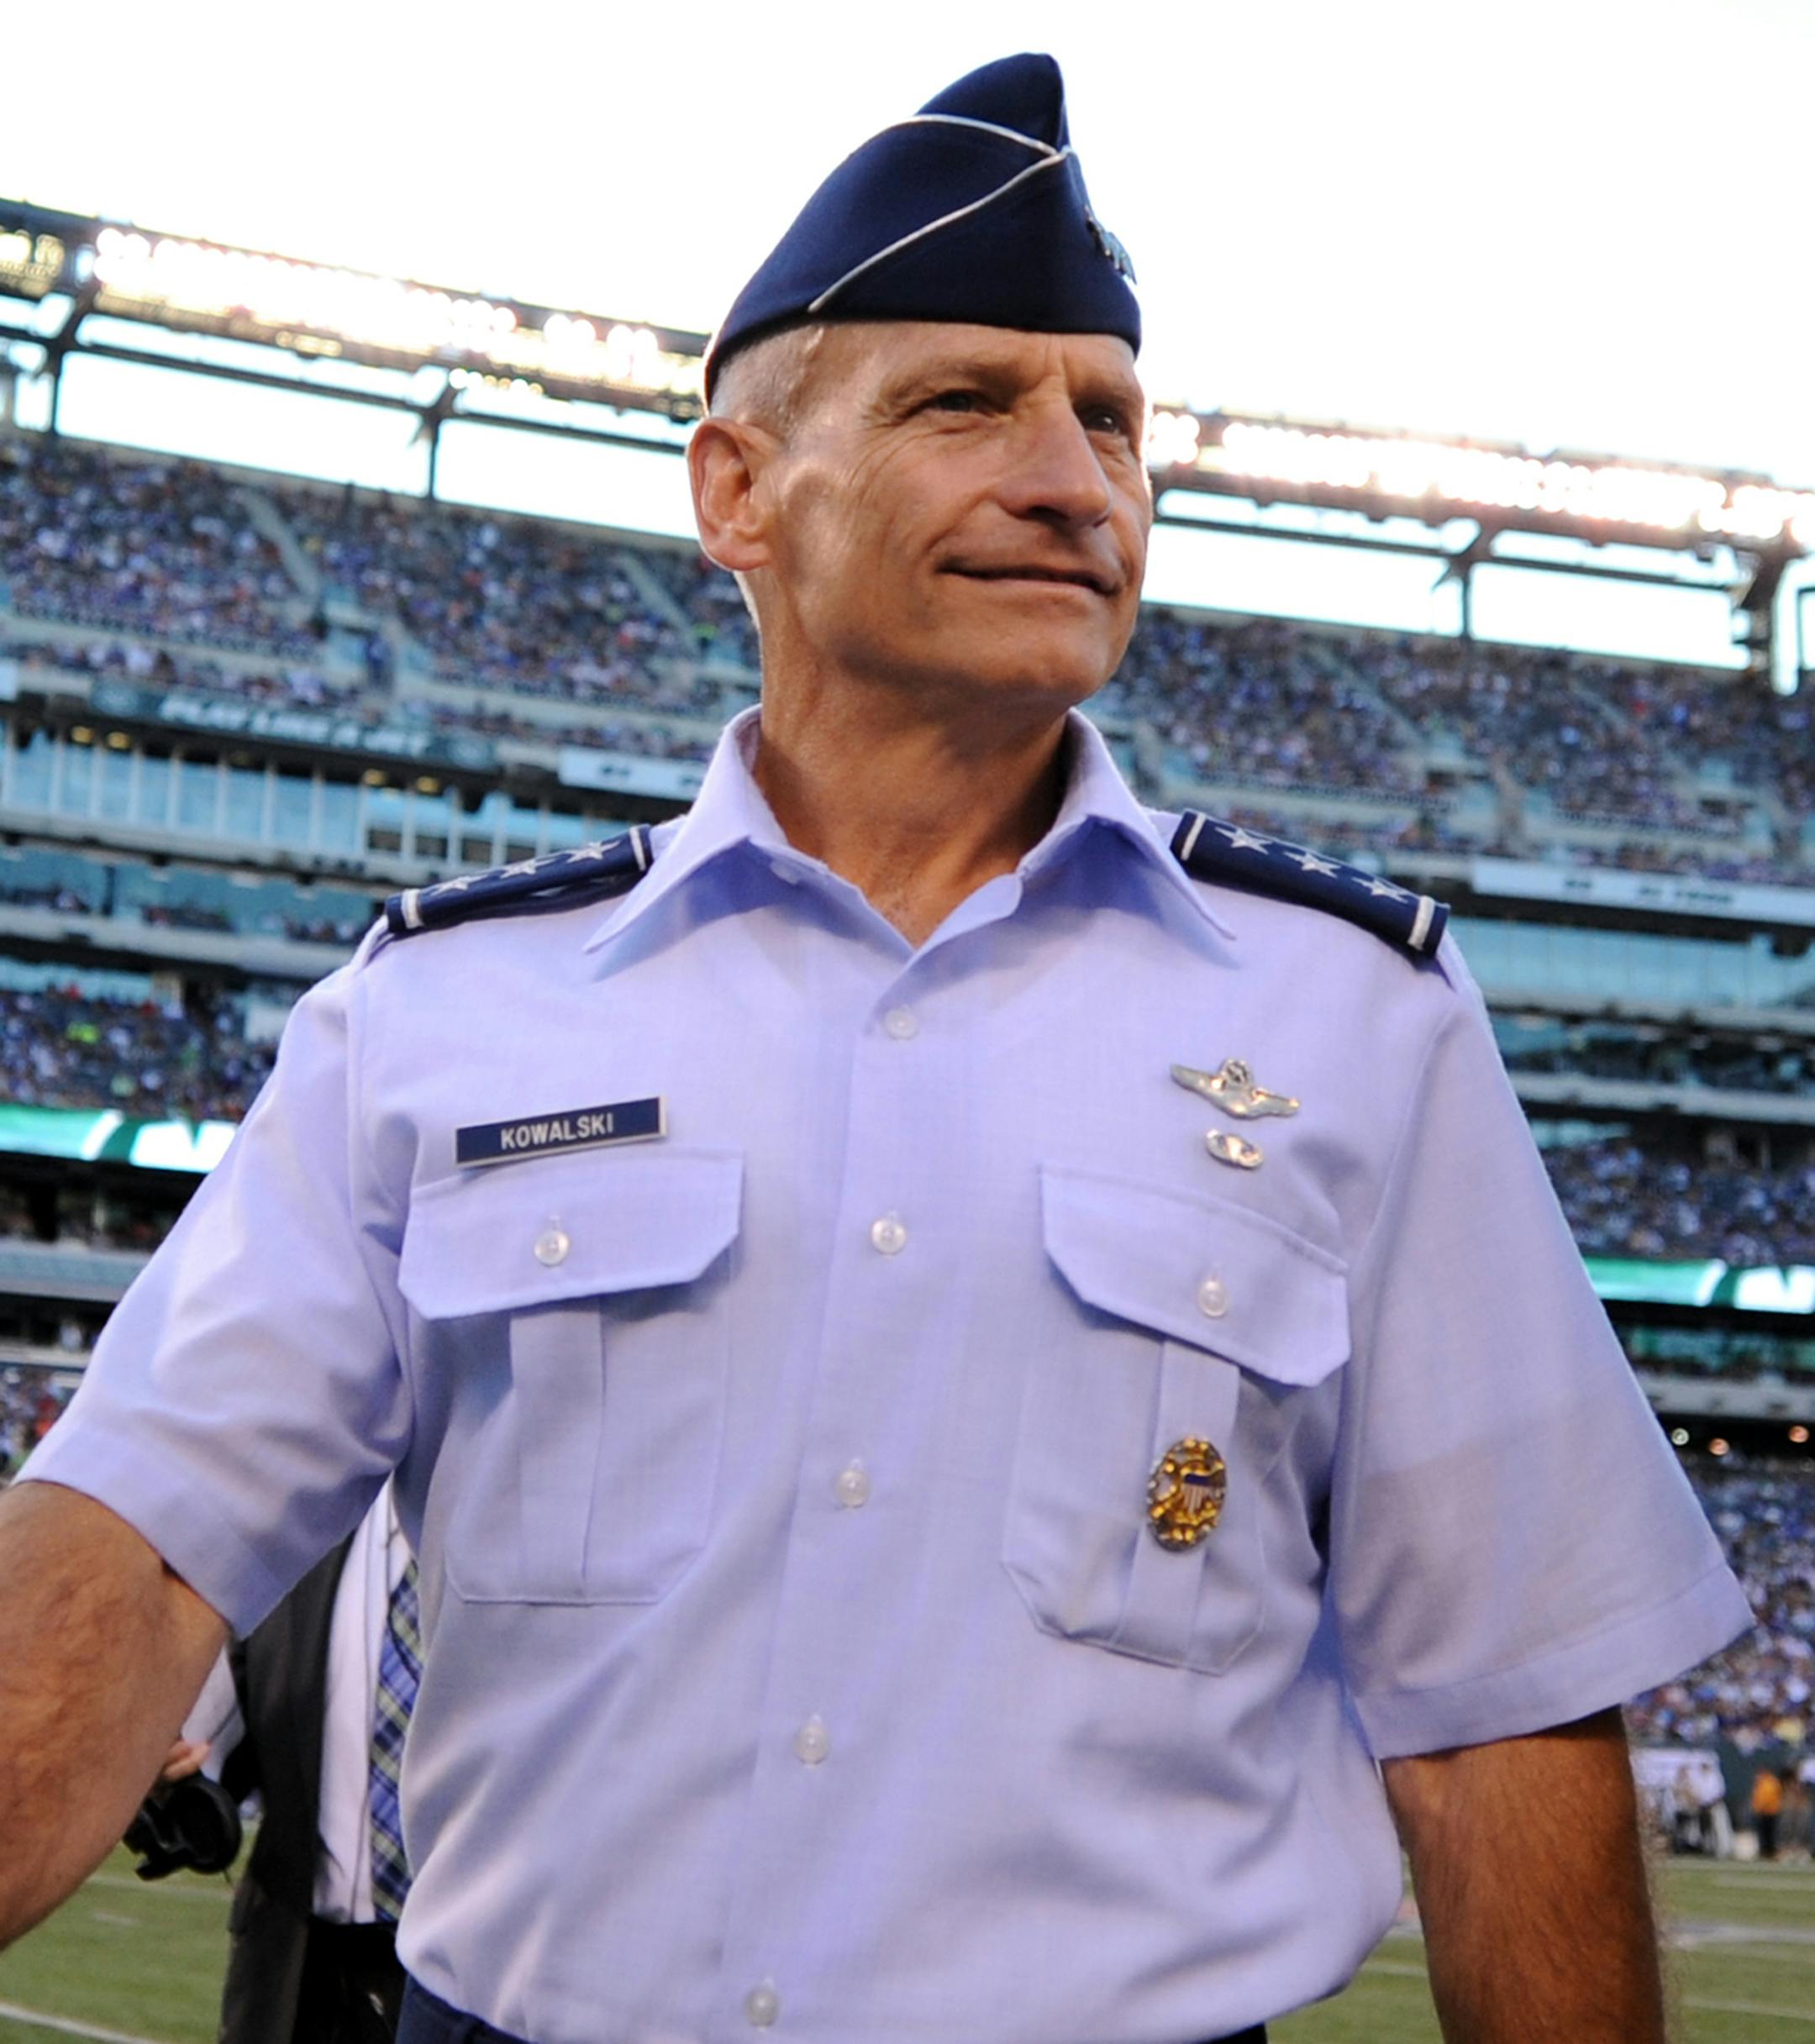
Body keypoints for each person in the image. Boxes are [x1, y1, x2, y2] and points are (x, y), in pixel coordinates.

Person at [0, 52, 1750, 2044]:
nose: (1069, 475)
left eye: (1108, 418)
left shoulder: (1352, 1020)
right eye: (963, 403)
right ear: (734, 490)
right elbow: (136, 1548)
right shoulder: (440, 1012)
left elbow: (1497, 1712)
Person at [154, 1483, 414, 2042]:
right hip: (296, 1978)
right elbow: (224, 1746)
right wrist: (166, 1766)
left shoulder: (521, 1553)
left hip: (464, 1980)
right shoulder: (294, 1536)